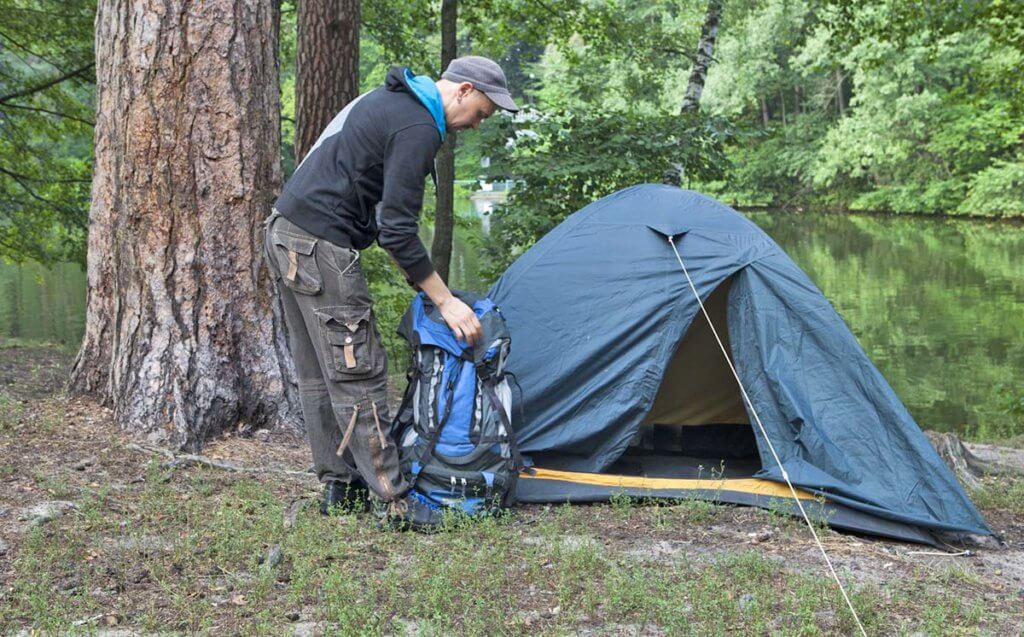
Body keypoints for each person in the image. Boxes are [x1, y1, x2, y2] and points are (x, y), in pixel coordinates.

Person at [262, 56, 519, 525]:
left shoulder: (395, 101)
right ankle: (395, 501)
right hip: (321, 244)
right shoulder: (419, 125)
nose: (477, 125)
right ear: (463, 90)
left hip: (286, 232)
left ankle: (341, 488)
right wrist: (446, 301)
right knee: (357, 371)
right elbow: (397, 231)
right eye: (481, 112)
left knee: (320, 374)